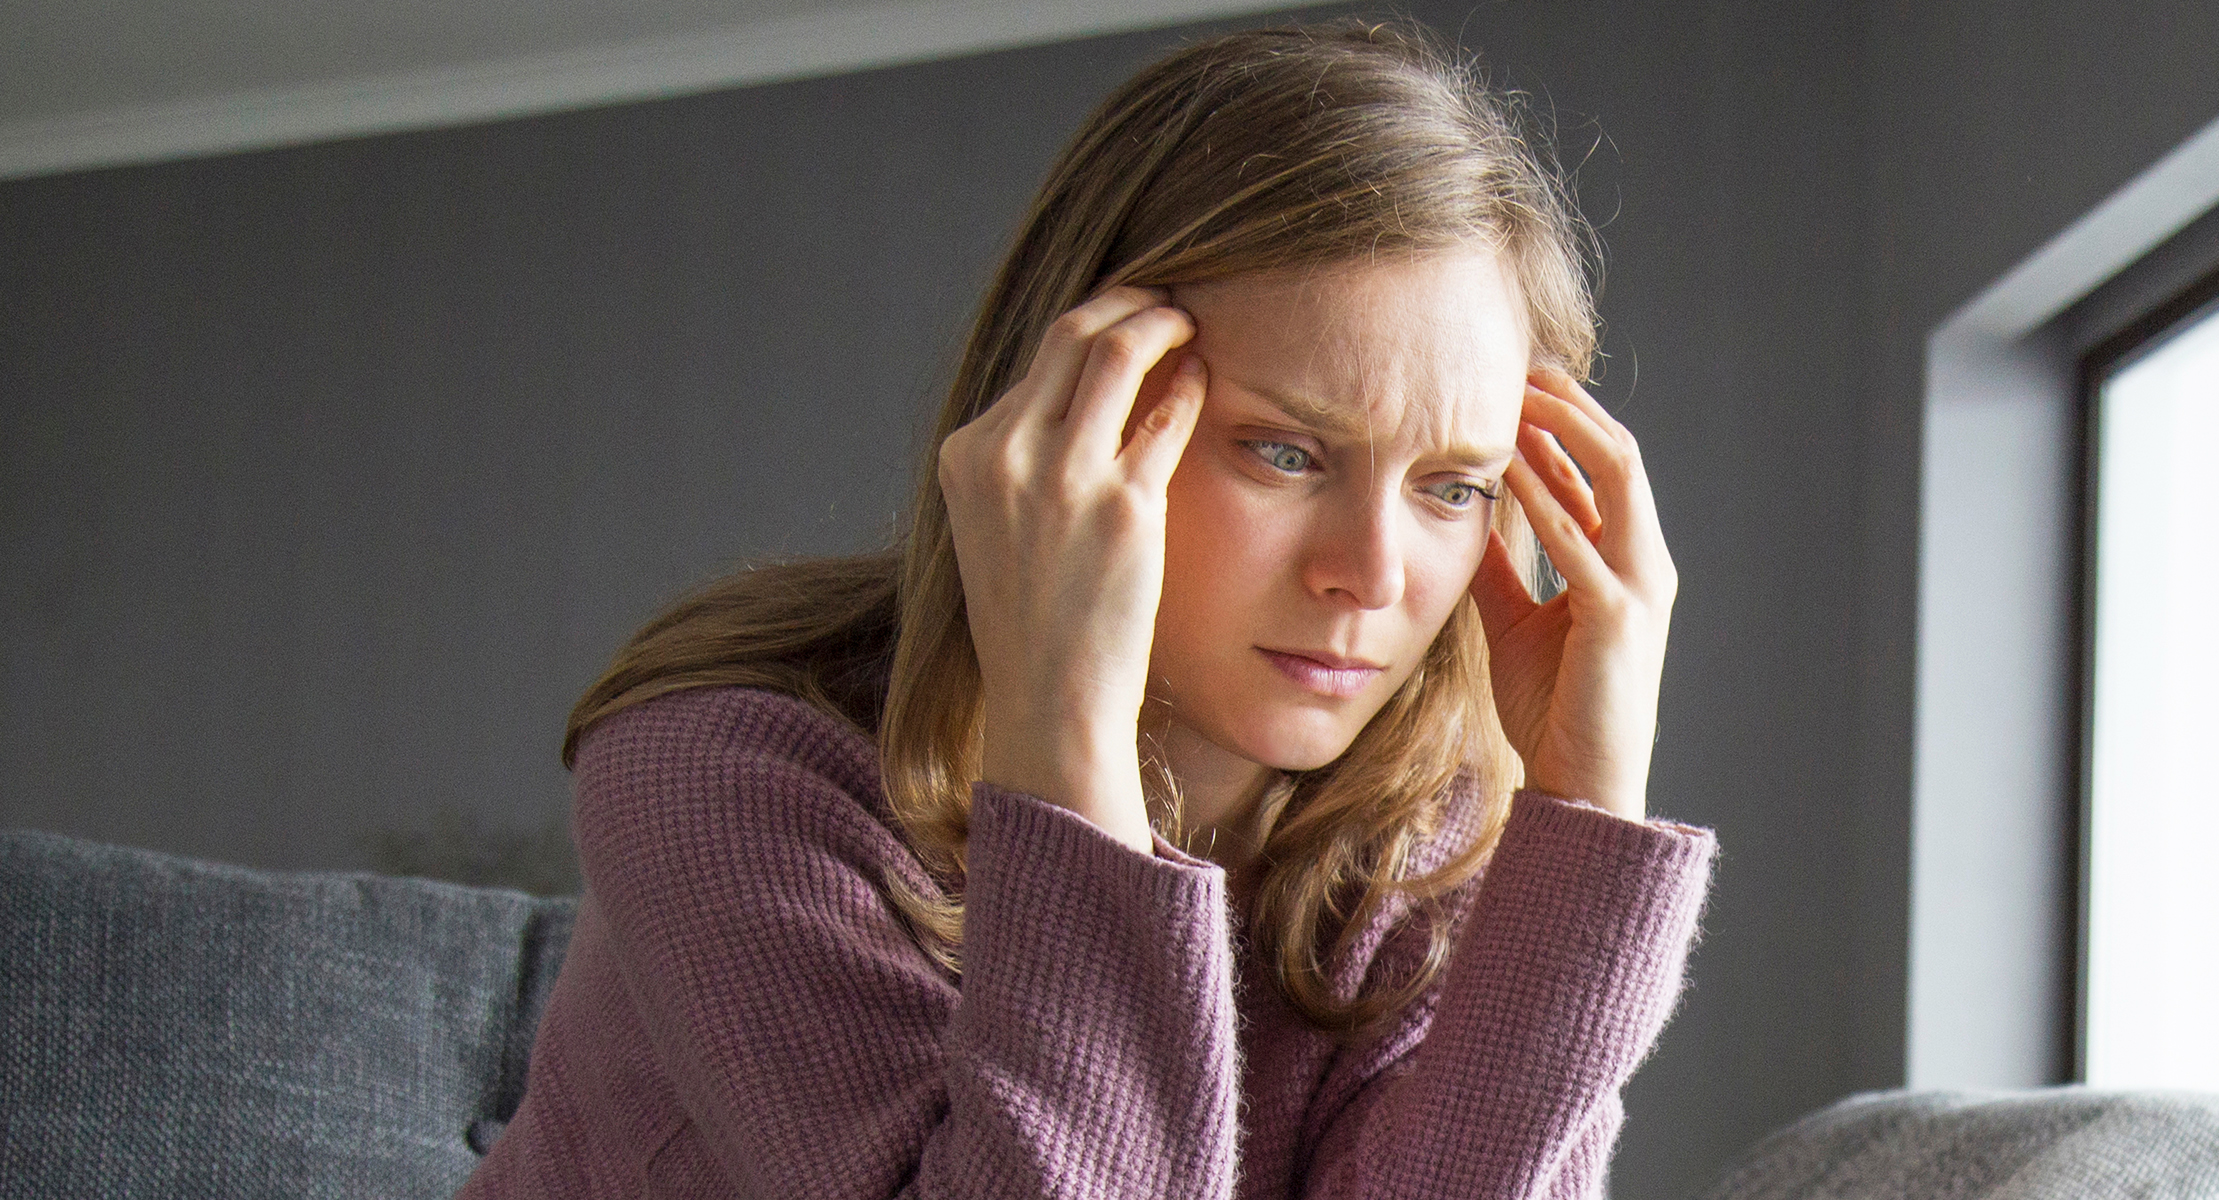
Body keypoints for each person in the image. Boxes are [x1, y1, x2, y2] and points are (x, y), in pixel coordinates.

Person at [459, 19, 1715, 1200]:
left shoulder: (1413, 854)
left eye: (1453, 486)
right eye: (1283, 453)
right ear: (1070, 426)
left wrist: (1586, 818)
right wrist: (1069, 724)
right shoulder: (725, 775)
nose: (1374, 574)